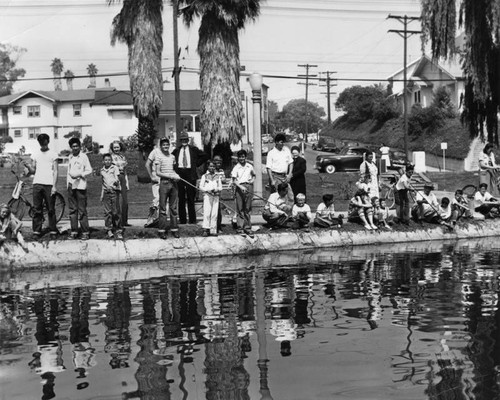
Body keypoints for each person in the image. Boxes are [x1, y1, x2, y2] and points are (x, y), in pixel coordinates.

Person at [23, 133, 59, 239]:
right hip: (37, 184)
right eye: (41, 142)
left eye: (44, 141)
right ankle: (37, 231)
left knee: (50, 209)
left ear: (48, 141)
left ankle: (53, 230)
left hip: (49, 184)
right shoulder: (35, 154)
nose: (43, 143)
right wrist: (28, 166)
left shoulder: (53, 154)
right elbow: (33, 170)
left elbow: (56, 171)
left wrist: (54, 186)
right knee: (37, 209)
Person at [172, 131, 208, 224]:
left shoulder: (193, 149)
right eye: (182, 139)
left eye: (185, 139)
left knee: (191, 198)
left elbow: (205, 156)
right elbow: (170, 160)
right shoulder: (176, 150)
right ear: (180, 140)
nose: (184, 141)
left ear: (188, 140)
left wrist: (196, 164)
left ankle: (192, 220)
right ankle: (182, 220)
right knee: (181, 198)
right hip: (180, 175)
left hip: (190, 175)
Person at [155, 137, 181, 238]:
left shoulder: (172, 157)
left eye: (167, 144)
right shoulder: (158, 157)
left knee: (173, 208)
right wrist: (170, 176)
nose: (165, 146)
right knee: (162, 208)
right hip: (164, 183)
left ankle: (174, 229)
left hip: (173, 184)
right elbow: (158, 172)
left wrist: (176, 176)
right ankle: (162, 230)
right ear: (160, 146)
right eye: (163, 145)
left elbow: (173, 170)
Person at [67, 138, 92, 240]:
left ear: (80, 147)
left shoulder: (84, 156)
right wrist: (68, 184)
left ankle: (85, 231)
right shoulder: (70, 157)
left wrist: (80, 174)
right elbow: (69, 172)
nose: (75, 148)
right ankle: (74, 231)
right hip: (71, 186)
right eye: (73, 146)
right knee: (73, 210)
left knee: (82, 210)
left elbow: (89, 170)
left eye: (77, 146)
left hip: (80, 186)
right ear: (71, 147)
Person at [230, 149, 255, 237]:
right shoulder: (236, 167)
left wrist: (251, 181)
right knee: (240, 208)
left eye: (243, 157)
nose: (242, 159)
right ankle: (240, 228)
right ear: (238, 158)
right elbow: (234, 180)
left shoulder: (249, 166)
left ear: (245, 157)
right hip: (240, 187)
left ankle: (247, 227)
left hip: (248, 187)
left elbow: (254, 175)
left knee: (247, 208)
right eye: (240, 157)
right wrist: (241, 187)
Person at [100, 153, 123, 240]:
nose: (107, 161)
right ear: (103, 161)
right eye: (106, 160)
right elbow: (103, 183)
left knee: (116, 211)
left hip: (114, 191)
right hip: (106, 192)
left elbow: (117, 178)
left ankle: (118, 230)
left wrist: (116, 182)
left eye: (109, 160)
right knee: (107, 212)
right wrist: (102, 194)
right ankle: (108, 229)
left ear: (111, 161)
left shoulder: (114, 168)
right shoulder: (102, 170)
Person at [266, 133, 293, 201]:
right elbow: (268, 168)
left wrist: (289, 174)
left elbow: (291, 163)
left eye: (283, 142)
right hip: (276, 177)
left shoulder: (286, 151)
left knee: (290, 196)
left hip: (285, 177)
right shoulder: (271, 153)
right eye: (281, 142)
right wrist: (272, 180)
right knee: (277, 197)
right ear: (276, 142)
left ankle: (287, 210)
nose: (283, 144)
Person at [199, 160, 222, 237]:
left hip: (215, 196)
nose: (212, 168)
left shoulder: (217, 176)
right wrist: (207, 190)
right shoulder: (204, 176)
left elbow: (220, 187)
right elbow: (201, 187)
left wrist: (217, 190)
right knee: (207, 212)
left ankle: (213, 229)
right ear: (208, 167)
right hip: (207, 196)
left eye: (213, 166)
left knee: (214, 213)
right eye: (210, 166)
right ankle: (206, 229)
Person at [110, 141, 130, 226]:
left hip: (122, 178)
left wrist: (127, 182)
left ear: (120, 147)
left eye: (117, 147)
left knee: (125, 201)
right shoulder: (111, 158)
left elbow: (125, 171)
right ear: (112, 148)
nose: (116, 149)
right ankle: (117, 222)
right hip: (115, 178)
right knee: (116, 201)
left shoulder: (123, 157)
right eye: (114, 147)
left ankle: (124, 221)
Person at [213, 154, 229, 233]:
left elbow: (224, 180)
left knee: (219, 210)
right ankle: (213, 226)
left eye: (220, 163)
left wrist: (219, 179)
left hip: (219, 193)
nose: (218, 164)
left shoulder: (221, 171)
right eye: (217, 163)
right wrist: (219, 179)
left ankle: (219, 226)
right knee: (213, 210)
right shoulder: (211, 170)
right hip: (212, 193)